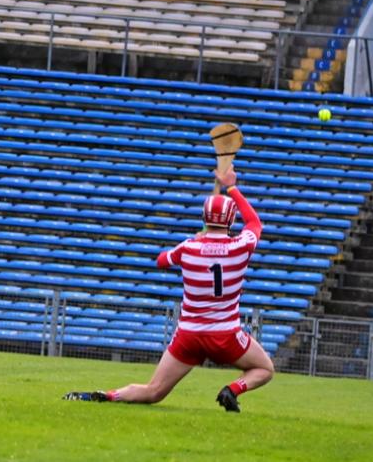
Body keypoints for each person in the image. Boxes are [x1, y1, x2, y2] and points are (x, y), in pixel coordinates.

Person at [64, 166, 274, 412]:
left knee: (153, 391)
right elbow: (255, 223)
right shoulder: (241, 246)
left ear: (204, 218)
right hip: (225, 335)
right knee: (265, 369)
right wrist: (232, 187)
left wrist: (197, 241)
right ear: (231, 219)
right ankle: (232, 390)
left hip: (189, 334)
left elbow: (161, 260)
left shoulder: (188, 247)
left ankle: (109, 396)